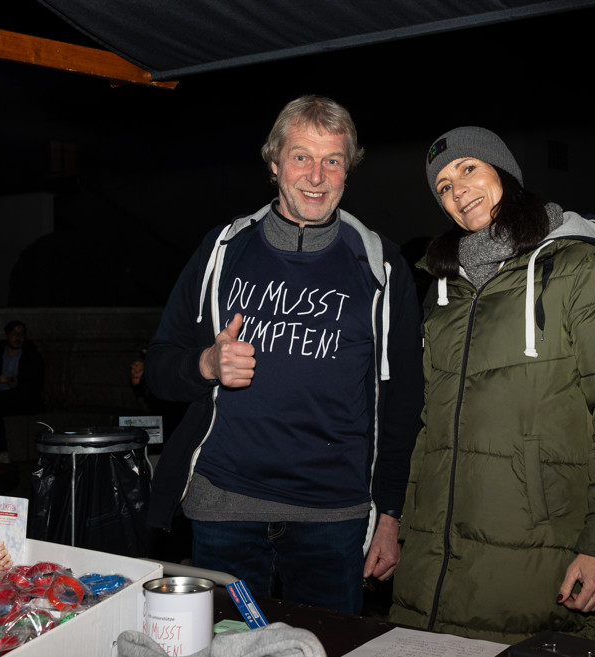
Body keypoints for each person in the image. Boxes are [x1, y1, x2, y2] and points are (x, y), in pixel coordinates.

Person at [144, 95, 423, 615]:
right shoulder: (223, 250)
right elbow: (158, 367)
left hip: (333, 519)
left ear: (347, 170)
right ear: (274, 164)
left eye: (332, 160)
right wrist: (206, 365)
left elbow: (403, 402)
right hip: (224, 508)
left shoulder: (381, 266)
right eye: (301, 157)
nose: (316, 176)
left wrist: (391, 516)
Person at [389, 127, 595, 643]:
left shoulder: (580, 270)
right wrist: (401, 527)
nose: (457, 190)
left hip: (538, 561)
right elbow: (429, 427)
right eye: (443, 186)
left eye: (468, 168)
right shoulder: (443, 291)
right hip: (430, 564)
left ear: (504, 172)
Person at [0, 320, 45, 464]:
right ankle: (2, 452)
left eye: (21, 334)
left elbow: (37, 384)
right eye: (14, 334)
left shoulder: (32, 357)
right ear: (7, 336)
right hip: (0, 401)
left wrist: (19, 383)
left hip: (22, 399)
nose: (18, 338)